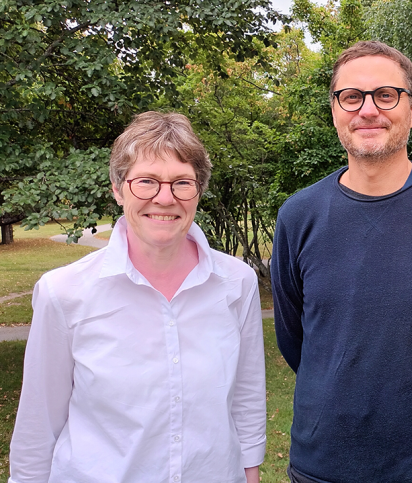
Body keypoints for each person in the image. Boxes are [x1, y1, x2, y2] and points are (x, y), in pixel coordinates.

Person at [271, 41, 412, 483]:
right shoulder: (298, 215)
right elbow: (291, 335)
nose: (368, 110)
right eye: (352, 97)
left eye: (386, 95)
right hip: (322, 466)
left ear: (411, 109)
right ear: (336, 110)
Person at [9, 112, 267, 483]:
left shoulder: (236, 282)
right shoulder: (63, 292)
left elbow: (246, 393)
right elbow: (39, 422)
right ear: (118, 188)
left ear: (199, 190)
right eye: (146, 181)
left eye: (182, 182)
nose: (165, 198)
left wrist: (250, 472)